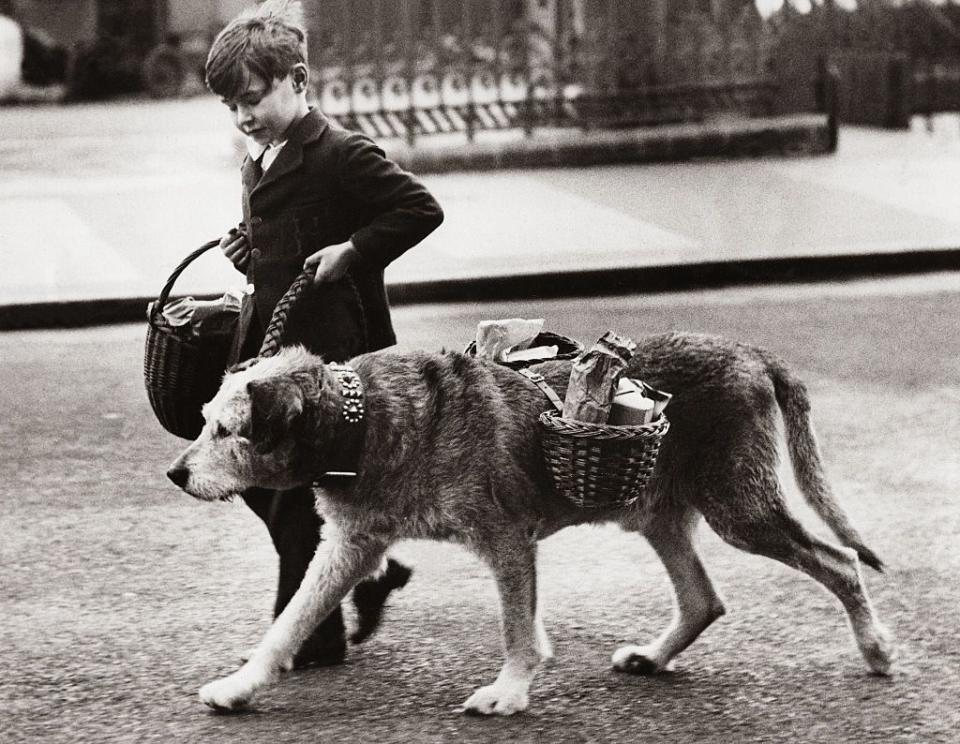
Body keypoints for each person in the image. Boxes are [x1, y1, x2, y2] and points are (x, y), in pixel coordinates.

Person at [204, 0, 443, 668]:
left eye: (251, 98)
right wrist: (251, 248)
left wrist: (354, 250)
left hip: (334, 359)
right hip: (276, 352)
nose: (243, 116)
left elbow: (420, 208)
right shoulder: (263, 157)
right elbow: (282, 238)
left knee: (290, 498)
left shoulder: (339, 154)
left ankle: (312, 637)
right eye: (230, 106)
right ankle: (370, 573)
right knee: (256, 478)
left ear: (298, 81)